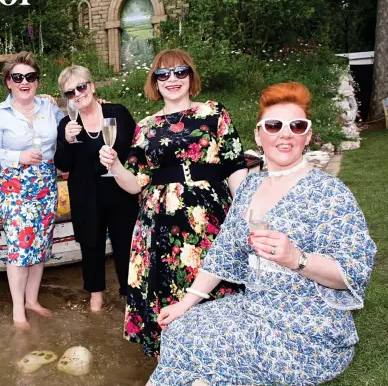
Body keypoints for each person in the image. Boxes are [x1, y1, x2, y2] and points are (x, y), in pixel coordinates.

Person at [149, 82, 377, 386]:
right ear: (259, 134)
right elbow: (225, 249)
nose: (285, 134)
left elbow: (352, 271)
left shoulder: (329, 193)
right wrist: (186, 302)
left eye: (297, 126)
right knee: (179, 330)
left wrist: (298, 259)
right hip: (255, 308)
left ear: (307, 136)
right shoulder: (251, 186)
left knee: (206, 348)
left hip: (305, 329)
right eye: (274, 125)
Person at [99, 49, 248, 357]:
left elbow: (234, 165)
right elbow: (134, 183)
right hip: (159, 224)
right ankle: (174, 359)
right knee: (165, 289)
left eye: (180, 72)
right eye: (163, 74)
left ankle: (219, 355)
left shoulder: (214, 112)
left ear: (190, 76)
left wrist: (245, 209)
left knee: (212, 280)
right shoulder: (146, 126)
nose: (172, 79)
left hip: (209, 217)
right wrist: (114, 167)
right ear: (155, 81)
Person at [0, 51, 65, 329]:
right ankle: (18, 309)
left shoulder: (49, 108)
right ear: (8, 82)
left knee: (40, 246)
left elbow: (68, 127)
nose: (24, 82)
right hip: (15, 187)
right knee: (19, 249)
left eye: (29, 77)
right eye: (17, 77)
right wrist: (18, 158)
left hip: (45, 184)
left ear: (37, 81)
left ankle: (32, 300)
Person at [54, 65, 138, 313]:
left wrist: (123, 166)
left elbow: (136, 150)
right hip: (85, 195)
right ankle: (96, 296)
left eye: (82, 87)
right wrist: (66, 141)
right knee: (90, 245)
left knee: (126, 245)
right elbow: (62, 164)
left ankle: (129, 294)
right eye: (70, 92)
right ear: (66, 98)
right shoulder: (67, 123)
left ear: (92, 86)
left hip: (120, 191)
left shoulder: (117, 113)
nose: (78, 94)